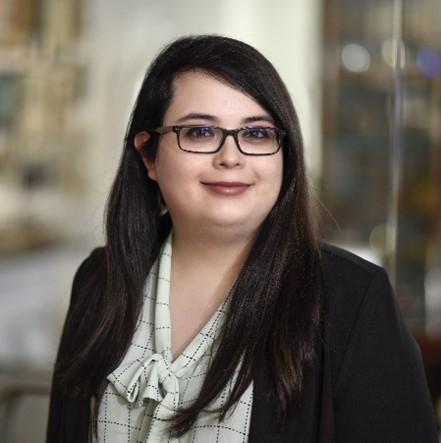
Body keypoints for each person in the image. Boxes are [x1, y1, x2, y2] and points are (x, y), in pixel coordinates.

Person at [46, 35, 438, 442]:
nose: (231, 157)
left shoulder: (351, 300)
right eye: (199, 132)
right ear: (148, 156)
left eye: (257, 134)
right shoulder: (100, 280)